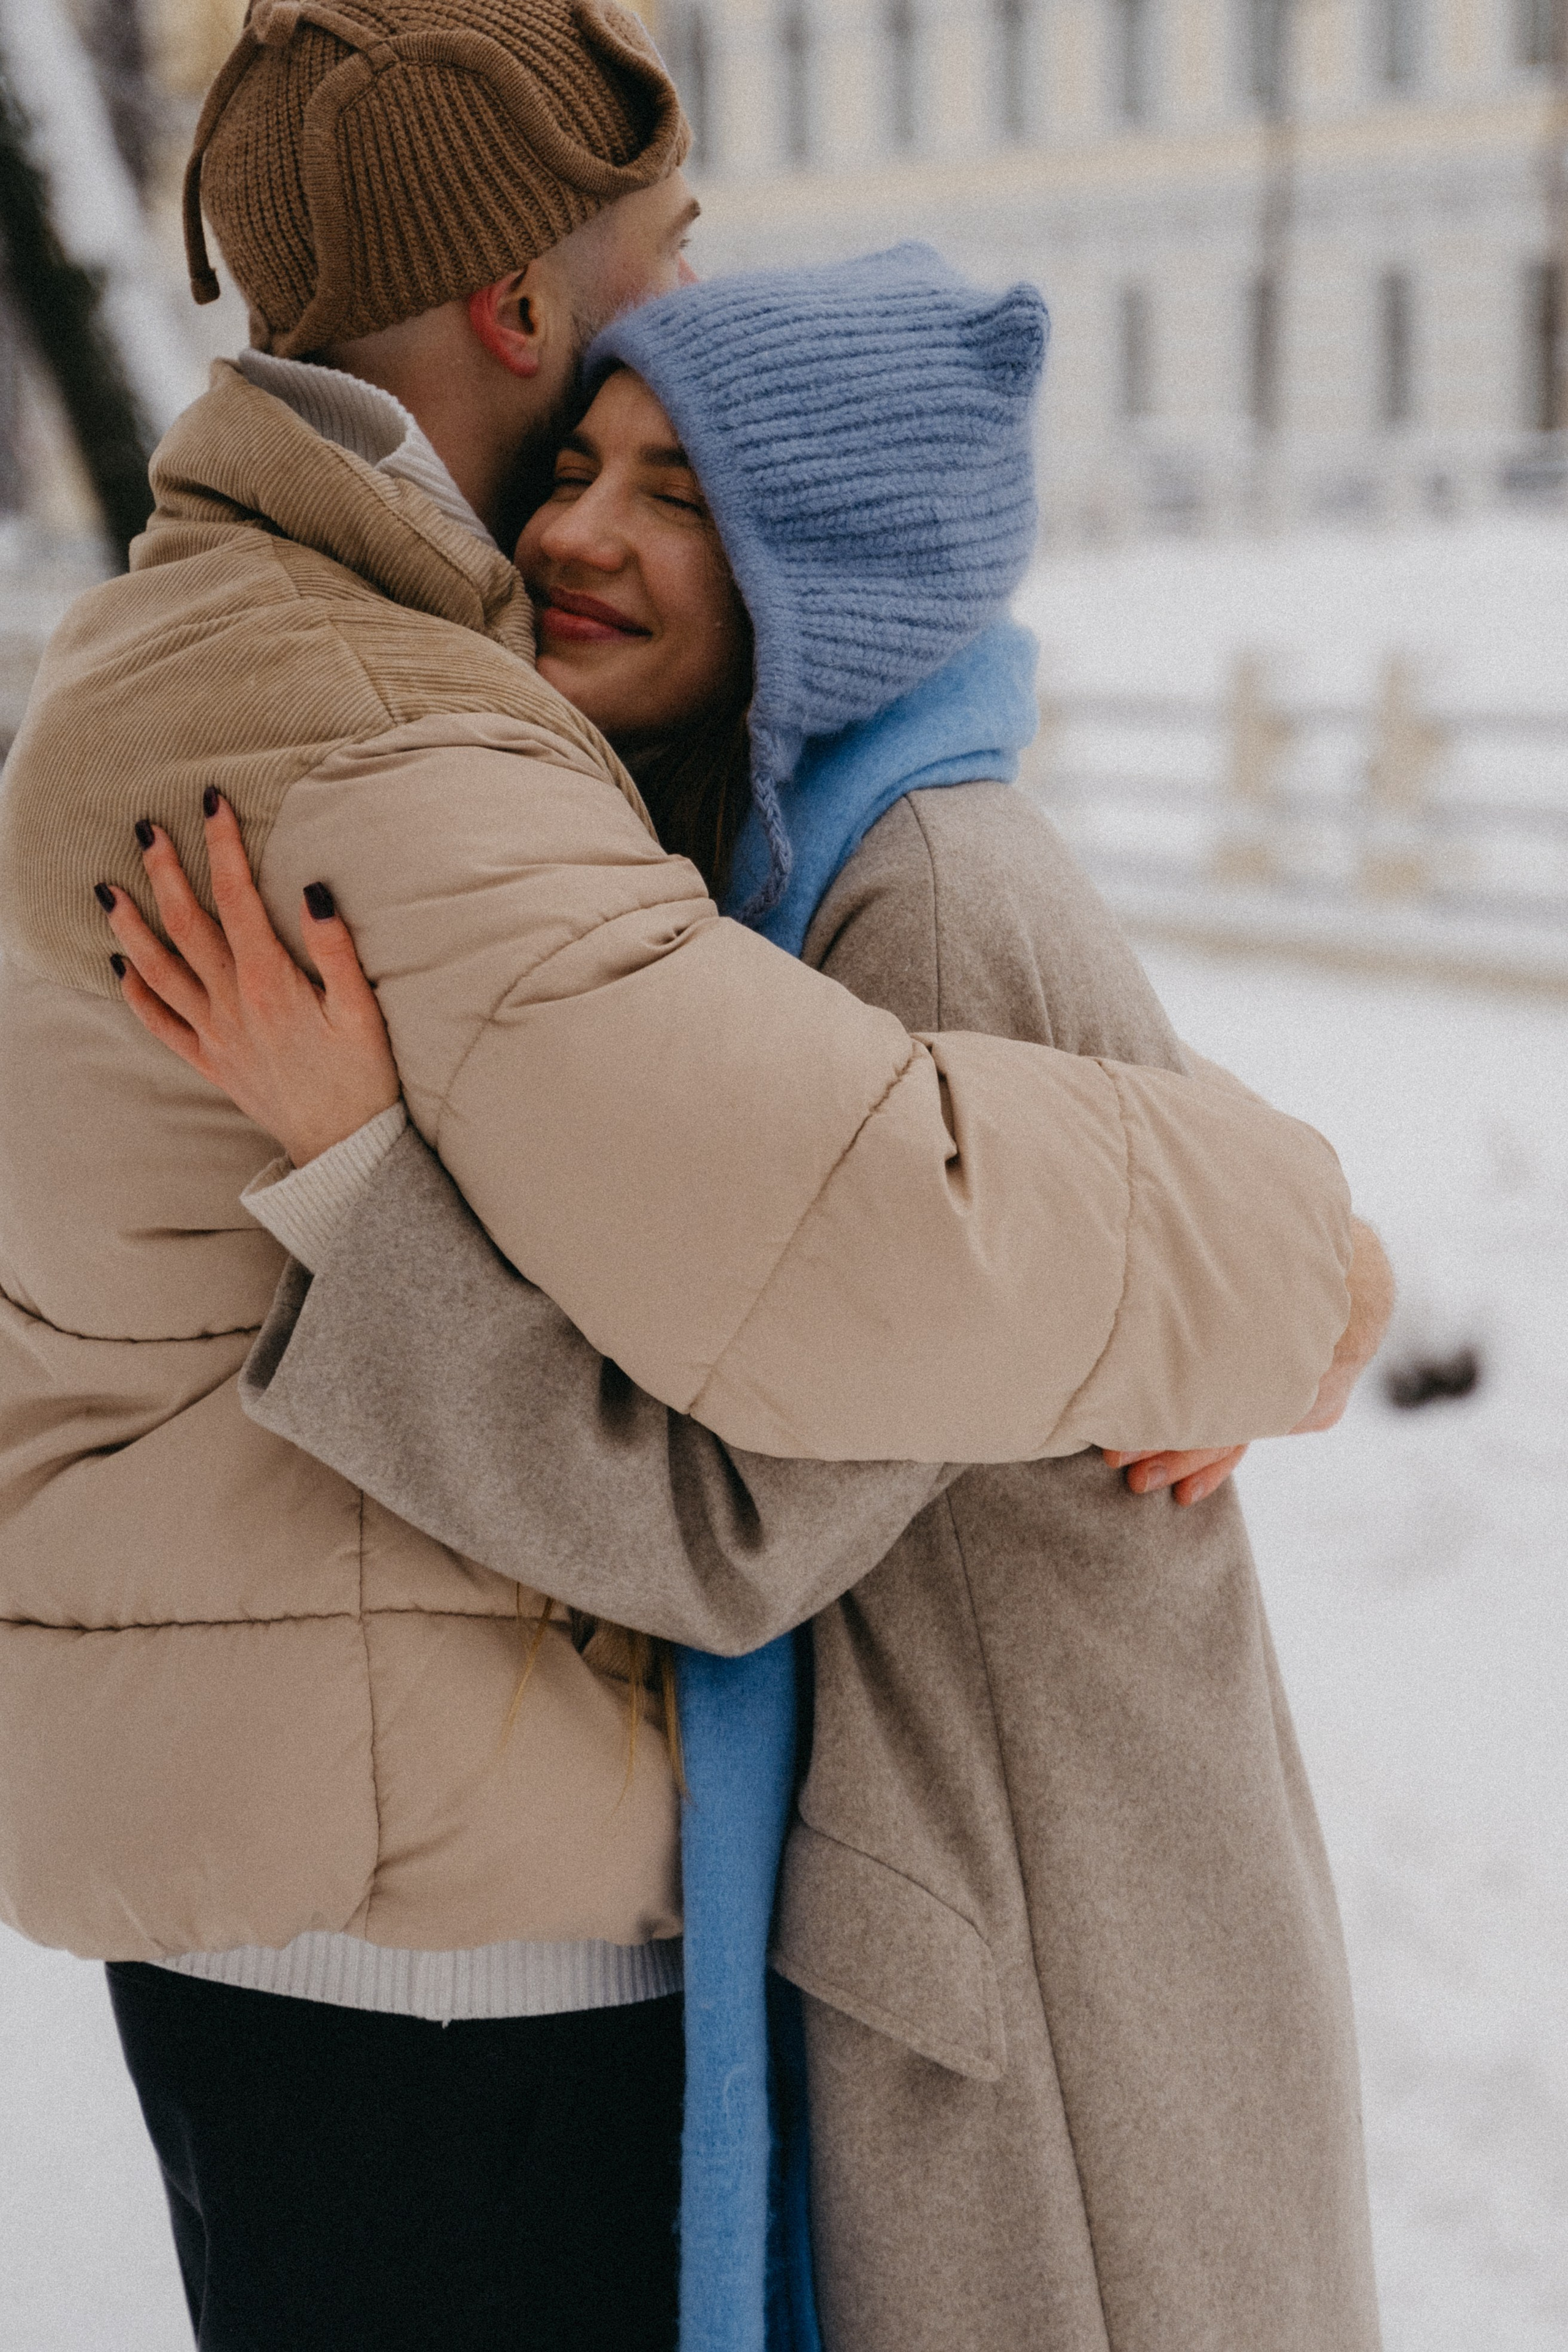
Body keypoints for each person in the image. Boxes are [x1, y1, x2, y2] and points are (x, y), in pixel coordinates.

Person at [105, 252, 1392, 2352]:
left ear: (841, 568)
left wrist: (357, 1177)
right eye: (585, 460)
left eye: (684, 495)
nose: (579, 531)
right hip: (991, 1928)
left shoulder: (929, 909)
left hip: (1055, 2000)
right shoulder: (779, 864)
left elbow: (729, 1533)